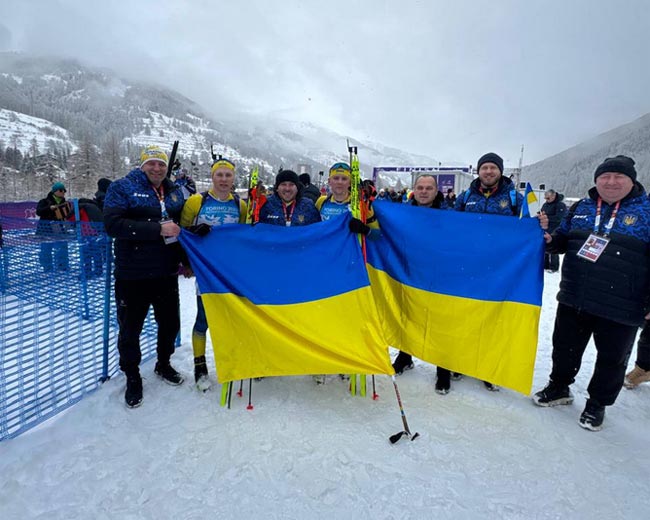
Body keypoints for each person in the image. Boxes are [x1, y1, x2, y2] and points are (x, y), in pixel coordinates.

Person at [533, 155, 650, 431]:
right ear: (596, 180)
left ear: (631, 181)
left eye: (617, 177)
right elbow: (562, 240)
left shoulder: (646, 211)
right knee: (564, 347)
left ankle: (597, 403)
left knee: (612, 358)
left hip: (623, 303)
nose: (610, 182)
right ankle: (560, 387)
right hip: (575, 295)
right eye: (604, 177)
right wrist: (549, 239)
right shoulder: (582, 208)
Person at [104, 145, 186, 408]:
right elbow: (113, 225)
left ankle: (163, 363)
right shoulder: (122, 187)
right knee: (130, 330)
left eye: (161, 164)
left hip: (166, 272)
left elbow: (179, 226)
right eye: (151, 163)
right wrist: (157, 229)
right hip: (133, 275)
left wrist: (189, 257)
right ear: (142, 165)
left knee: (170, 324)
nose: (157, 168)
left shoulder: (173, 191)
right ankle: (132, 376)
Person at [452, 153, 525, 392]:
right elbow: (450, 225)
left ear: (500, 171)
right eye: (485, 168)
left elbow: (531, 228)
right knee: (467, 314)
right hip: (468, 266)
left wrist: (543, 227)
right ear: (478, 171)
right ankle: (461, 361)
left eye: (493, 168)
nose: (489, 172)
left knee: (494, 317)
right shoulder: (465, 197)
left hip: (500, 268)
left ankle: (488, 367)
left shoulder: (516, 198)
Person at [180, 157, 246, 390]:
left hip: (229, 271)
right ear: (213, 177)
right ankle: (200, 365)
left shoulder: (240, 204)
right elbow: (182, 232)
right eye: (220, 174)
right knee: (203, 318)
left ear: (233, 178)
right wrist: (187, 259)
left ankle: (231, 359)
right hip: (206, 270)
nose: (224, 179)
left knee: (230, 317)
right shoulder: (197, 201)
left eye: (228, 175)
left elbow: (243, 236)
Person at [391, 175, 451, 389]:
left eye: (429, 188)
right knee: (408, 314)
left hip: (438, 275)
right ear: (413, 190)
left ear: (436, 191)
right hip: (410, 273)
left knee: (440, 321)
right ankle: (405, 356)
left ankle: (443, 368)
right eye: (420, 187)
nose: (424, 191)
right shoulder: (403, 213)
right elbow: (387, 235)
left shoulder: (448, 215)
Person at [36, 181, 73, 272]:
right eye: (61, 190)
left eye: (64, 190)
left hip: (60, 230)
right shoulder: (44, 201)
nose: (63, 192)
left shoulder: (65, 203)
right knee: (46, 250)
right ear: (55, 191)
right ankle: (47, 268)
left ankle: (63, 266)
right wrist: (49, 208)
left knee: (62, 248)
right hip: (46, 230)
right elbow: (38, 212)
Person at [540, 189, 567, 272]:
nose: (547, 200)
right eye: (545, 198)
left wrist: (547, 218)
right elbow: (542, 212)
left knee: (553, 249)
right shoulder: (545, 205)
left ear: (553, 196)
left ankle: (554, 267)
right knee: (545, 247)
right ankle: (545, 265)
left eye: (548, 198)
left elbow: (560, 218)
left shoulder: (560, 205)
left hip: (556, 229)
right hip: (546, 228)